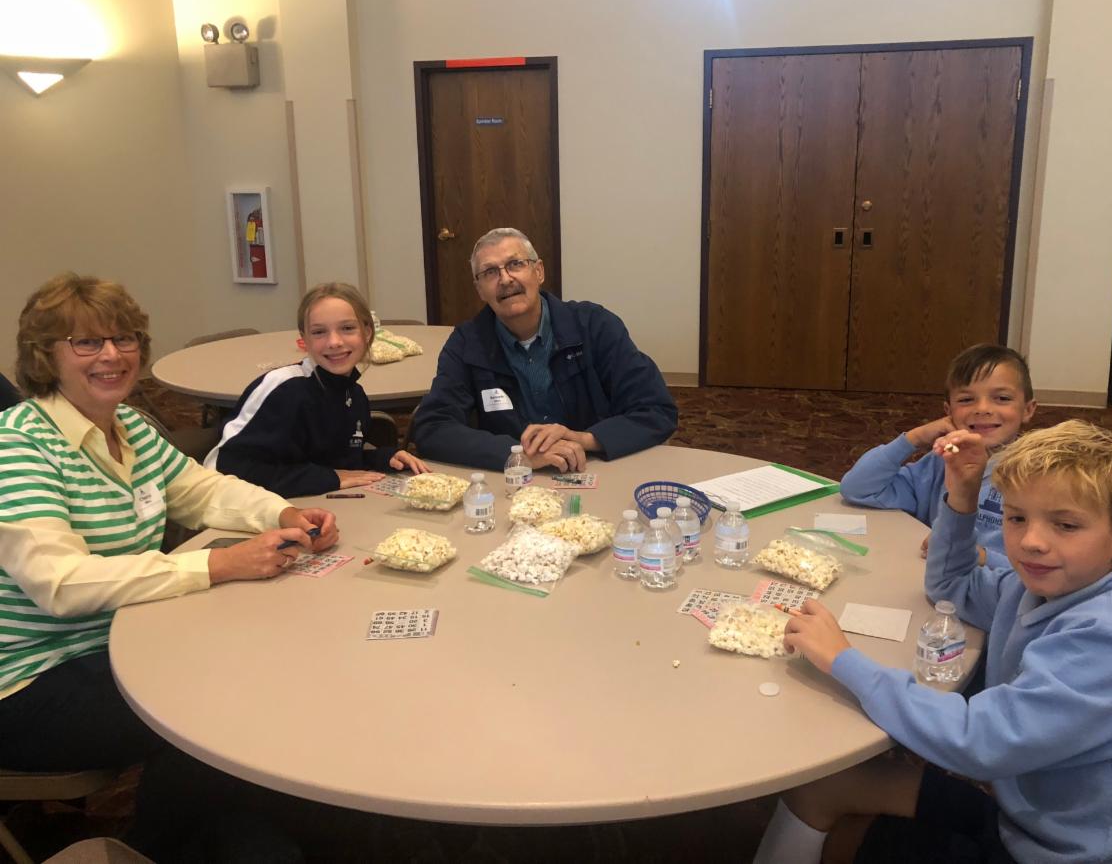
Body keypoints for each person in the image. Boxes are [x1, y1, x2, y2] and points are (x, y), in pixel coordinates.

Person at [0, 273, 340, 857]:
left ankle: (247, 832)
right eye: (87, 342)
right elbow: (61, 584)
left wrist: (282, 511)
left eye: (124, 338)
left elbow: (203, 490)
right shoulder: (20, 445)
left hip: (119, 637)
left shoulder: (128, 427)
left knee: (256, 663)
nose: (112, 355)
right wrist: (217, 565)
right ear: (45, 356)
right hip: (29, 677)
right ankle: (157, 847)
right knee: (203, 709)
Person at [756, 420, 1112, 864]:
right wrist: (962, 500)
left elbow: (978, 741)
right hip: (1024, 815)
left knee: (846, 825)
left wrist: (843, 659)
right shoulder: (1032, 589)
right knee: (822, 787)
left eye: (1065, 525)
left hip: (1066, 852)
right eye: (1016, 518)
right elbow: (950, 586)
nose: (1031, 542)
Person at [411, 227, 678, 472]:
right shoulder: (467, 343)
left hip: (595, 469)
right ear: (479, 289)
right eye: (490, 272)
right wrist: (517, 455)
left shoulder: (594, 326)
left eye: (516, 264)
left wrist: (584, 439)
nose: (505, 279)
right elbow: (432, 427)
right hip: (513, 483)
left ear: (538, 271)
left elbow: (656, 409)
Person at [205, 282, 428, 496]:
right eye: (319, 332)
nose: (334, 342)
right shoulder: (283, 391)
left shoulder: (354, 395)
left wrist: (384, 458)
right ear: (304, 340)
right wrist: (326, 478)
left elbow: (335, 461)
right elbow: (224, 469)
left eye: (347, 328)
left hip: (311, 505)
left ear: (367, 332)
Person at [840, 344, 1036, 567]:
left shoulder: (1038, 476)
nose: (982, 409)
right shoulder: (941, 462)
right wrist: (913, 438)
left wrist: (980, 556)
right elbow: (858, 489)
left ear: (1028, 409)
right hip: (929, 578)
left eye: (1001, 398)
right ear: (948, 411)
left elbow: (1051, 568)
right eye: (966, 400)